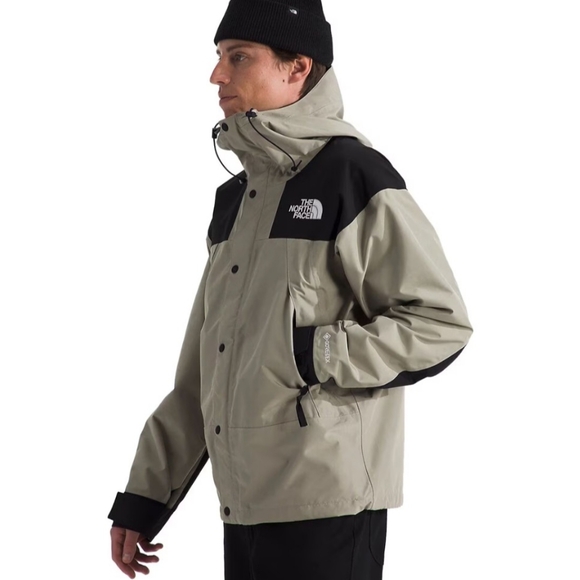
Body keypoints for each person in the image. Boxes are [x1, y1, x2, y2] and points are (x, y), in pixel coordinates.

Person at [108, 1, 474, 578]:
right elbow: (205, 368)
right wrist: (146, 495)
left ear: (297, 67)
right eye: (219, 57)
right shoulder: (237, 199)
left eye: (239, 57)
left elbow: (439, 322)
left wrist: (314, 353)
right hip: (244, 506)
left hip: (329, 505)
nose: (217, 75)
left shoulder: (353, 175)